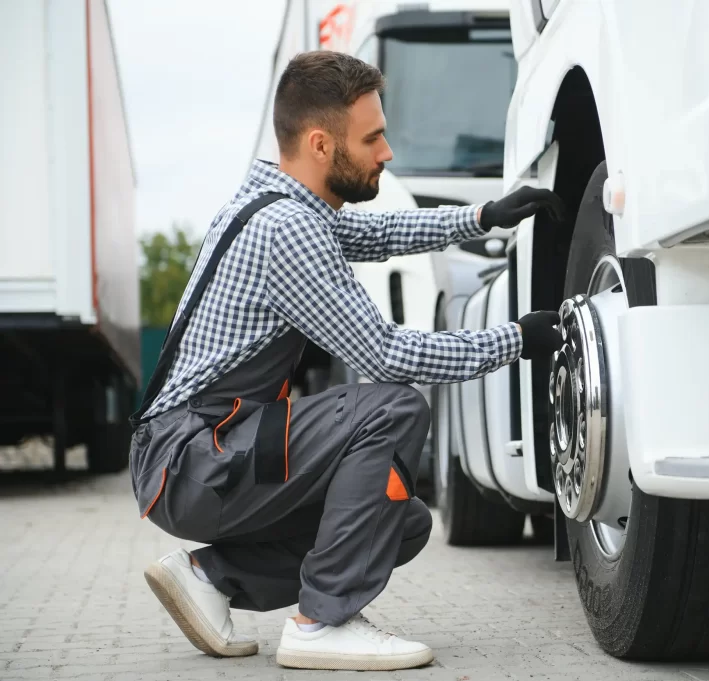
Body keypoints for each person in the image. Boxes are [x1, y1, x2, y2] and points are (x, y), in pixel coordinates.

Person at [129, 50, 566, 672]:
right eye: (372, 137)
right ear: (319, 143)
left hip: (196, 454)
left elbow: (380, 234)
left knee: (400, 520)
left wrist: (483, 216)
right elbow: (383, 354)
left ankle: (209, 576)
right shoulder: (288, 229)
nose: (386, 152)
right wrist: (516, 340)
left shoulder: (282, 206)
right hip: (196, 457)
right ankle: (321, 622)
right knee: (391, 407)